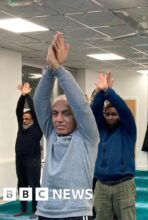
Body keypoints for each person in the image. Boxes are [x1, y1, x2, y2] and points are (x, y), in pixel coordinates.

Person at [34, 32, 99, 219]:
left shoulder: (87, 137)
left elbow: (81, 105)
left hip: (76, 213)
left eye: (66, 113)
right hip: (45, 211)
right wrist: (49, 69)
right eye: (55, 113)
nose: (58, 119)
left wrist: (59, 69)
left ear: (76, 117)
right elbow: (39, 101)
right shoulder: (51, 134)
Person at [91, 72, 137, 220]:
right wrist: (100, 93)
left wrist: (109, 92)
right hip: (101, 185)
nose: (110, 117)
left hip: (123, 185)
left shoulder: (128, 129)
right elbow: (93, 113)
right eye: (108, 114)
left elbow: (124, 109)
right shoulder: (101, 130)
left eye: (114, 114)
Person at [14, 82, 42, 219]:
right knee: (22, 185)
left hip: (33, 160)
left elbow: (35, 112)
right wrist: (22, 96)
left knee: (35, 186)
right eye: (23, 119)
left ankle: (37, 209)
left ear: (32, 120)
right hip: (20, 160)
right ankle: (23, 208)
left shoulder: (37, 127)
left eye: (27, 119)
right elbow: (18, 110)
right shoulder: (21, 127)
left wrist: (28, 96)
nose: (24, 120)